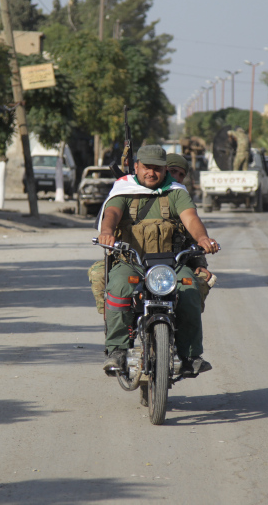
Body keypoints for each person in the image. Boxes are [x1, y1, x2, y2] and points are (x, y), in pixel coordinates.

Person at [97, 145, 220, 376]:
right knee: (119, 287)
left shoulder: (175, 192)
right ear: (136, 167)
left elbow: (191, 218)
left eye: (157, 169)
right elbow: (111, 213)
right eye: (146, 168)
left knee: (190, 289)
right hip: (131, 262)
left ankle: (190, 355)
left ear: (165, 170)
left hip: (170, 265)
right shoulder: (124, 190)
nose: (151, 173)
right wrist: (107, 231)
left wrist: (202, 237)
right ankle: (117, 350)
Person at [166, 152, 216, 312]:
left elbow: (191, 237)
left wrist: (200, 263)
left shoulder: (182, 199)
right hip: (141, 264)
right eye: (172, 171)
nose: (177, 177)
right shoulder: (136, 193)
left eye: (181, 174)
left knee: (193, 293)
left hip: (176, 265)